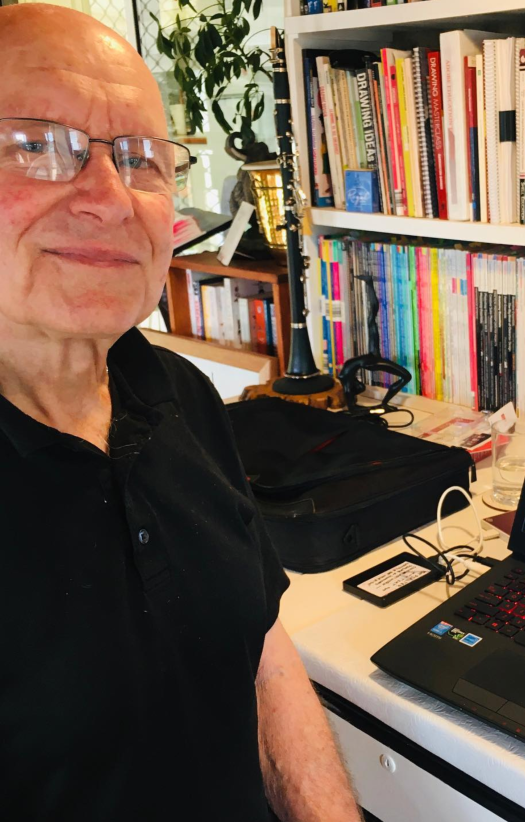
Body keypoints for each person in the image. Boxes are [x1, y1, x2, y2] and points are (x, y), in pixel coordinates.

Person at [0, 5, 362, 821]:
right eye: (36, 143)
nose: (108, 197)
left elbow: (260, 648)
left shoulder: (181, 394)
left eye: (140, 159)